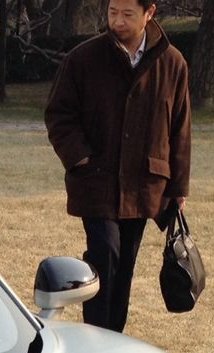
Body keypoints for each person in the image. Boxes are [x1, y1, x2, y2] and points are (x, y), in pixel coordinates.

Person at [43, 0, 192, 333]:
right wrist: (79, 156)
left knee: (125, 264)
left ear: (149, 13)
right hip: (96, 180)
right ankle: (97, 335)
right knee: (105, 252)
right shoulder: (82, 59)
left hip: (144, 184)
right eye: (113, 13)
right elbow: (58, 114)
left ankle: (114, 337)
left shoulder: (172, 63)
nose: (118, 21)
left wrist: (178, 187)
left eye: (127, 14)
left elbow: (180, 129)